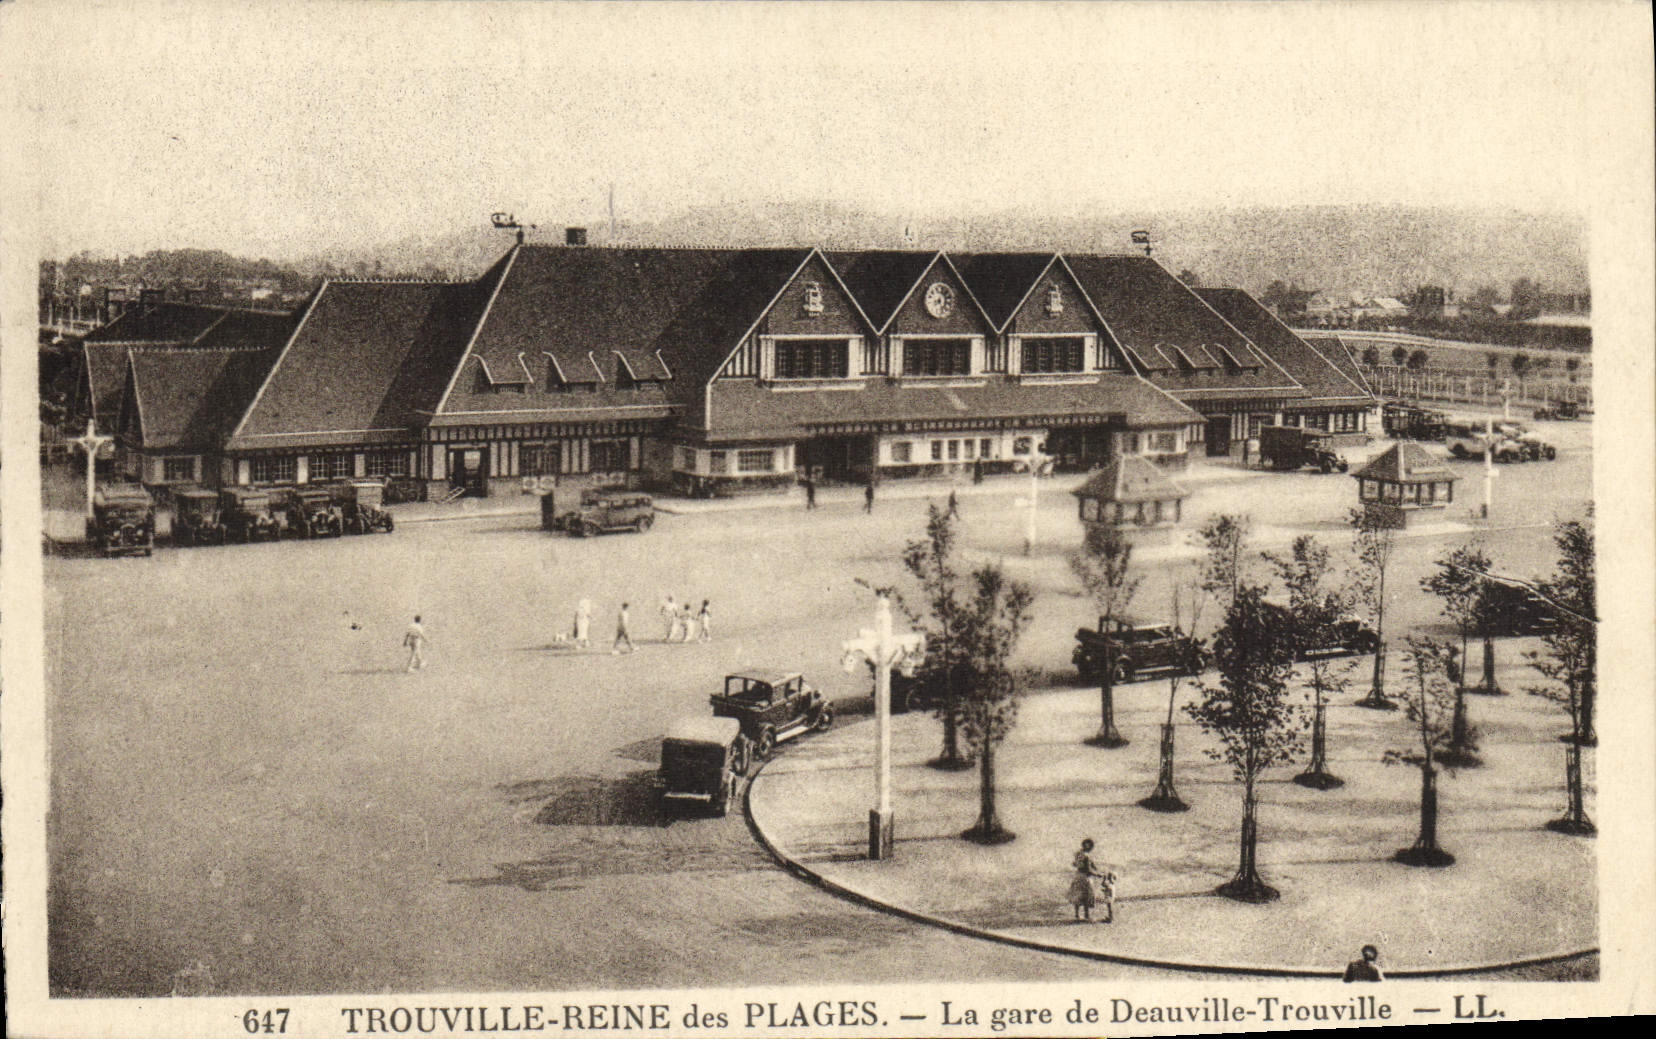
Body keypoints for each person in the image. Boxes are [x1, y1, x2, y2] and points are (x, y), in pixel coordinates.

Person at [1067, 838, 1104, 922]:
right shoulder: (1086, 856)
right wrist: (1098, 874)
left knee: (1078, 895)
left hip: (1078, 876)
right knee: (1087, 896)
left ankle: (1077, 915)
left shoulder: (1078, 854)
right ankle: (1086, 916)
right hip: (1085, 878)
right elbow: (1088, 870)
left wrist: (1095, 868)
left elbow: (1075, 864)